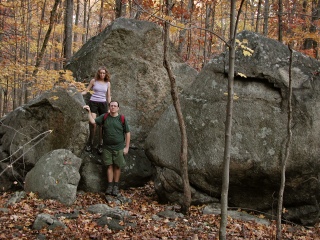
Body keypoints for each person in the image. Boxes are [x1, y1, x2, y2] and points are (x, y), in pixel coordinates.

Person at [83, 101, 130, 196]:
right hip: (107, 147)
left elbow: (127, 133)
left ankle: (116, 186)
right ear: (109, 107)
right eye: (111, 106)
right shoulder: (105, 117)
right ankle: (110, 186)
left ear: (118, 108)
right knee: (109, 166)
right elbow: (93, 122)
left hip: (119, 147)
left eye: (115, 106)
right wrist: (88, 112)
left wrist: (127, 147)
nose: (113, 107)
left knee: (117, 166)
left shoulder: (122, 118)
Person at [82, 66, 111, 154]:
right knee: (93, 123)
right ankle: (90, 143)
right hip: (93, 102)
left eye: (103, 73)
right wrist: (78, 93)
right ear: (98, 73)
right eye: (100, 73)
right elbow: (86, 91)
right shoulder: (93, 81)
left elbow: (108, 96)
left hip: (103, 104)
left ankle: (100, 144)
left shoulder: (108, 83)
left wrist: (109, 107)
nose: (102, 74)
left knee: (102, 125)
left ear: (105, 74)